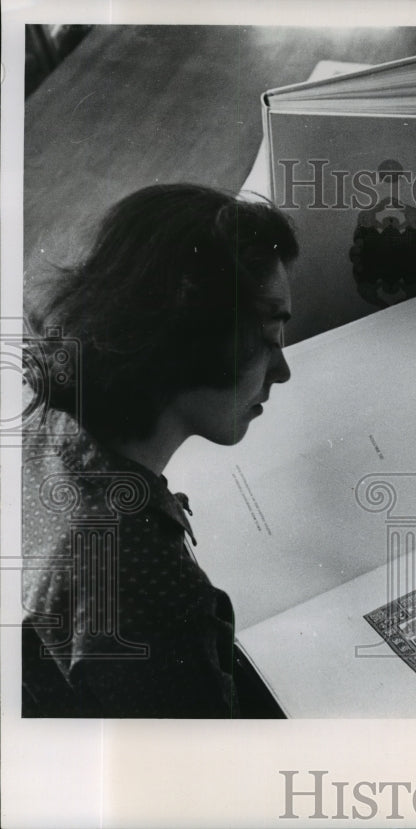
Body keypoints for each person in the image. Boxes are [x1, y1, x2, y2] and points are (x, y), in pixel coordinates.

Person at [21, 183, 298, 717]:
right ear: (198, 337)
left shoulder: (45, 421)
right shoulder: (156, 588)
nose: (282, 371)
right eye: (268, 337)